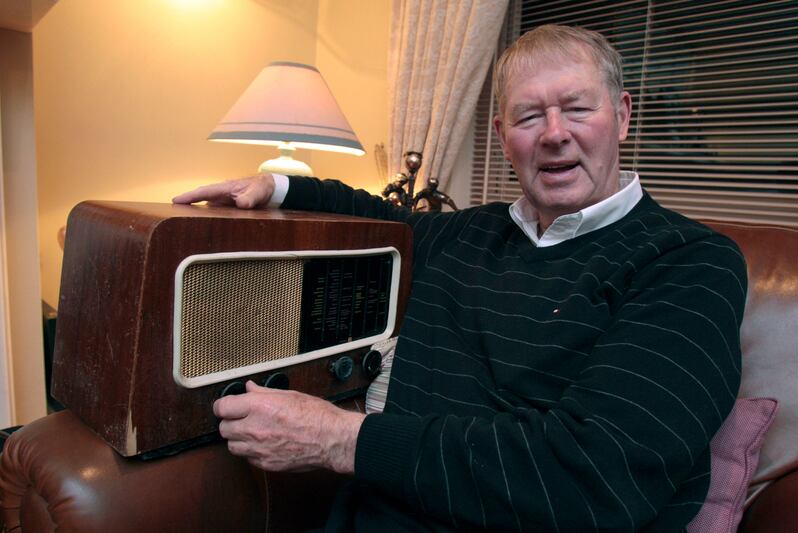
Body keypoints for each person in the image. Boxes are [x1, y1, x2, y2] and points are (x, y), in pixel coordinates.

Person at [173, 24, 747, 532]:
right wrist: (276, 187)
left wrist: (341, 438)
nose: (554, 133)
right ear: (502, 135)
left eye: (577, 109)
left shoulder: (691, 263)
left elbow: (598, 477)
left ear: (621, 116)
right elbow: (373, 216)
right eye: (528, 116)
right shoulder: (468, 234)